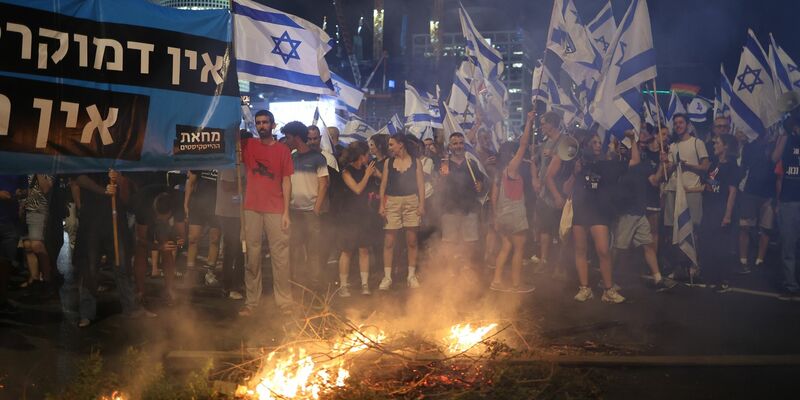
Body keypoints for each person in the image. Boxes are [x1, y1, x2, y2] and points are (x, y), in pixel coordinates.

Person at [72, 171, 154, 327]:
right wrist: (103, 190)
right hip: (91, 222)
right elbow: (78, 178)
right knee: (89, 269)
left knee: (123, 266)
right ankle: (86, 313)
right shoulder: (87, 153)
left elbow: (126, 197)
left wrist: (120, 179)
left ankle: (132, 308)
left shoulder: (119, 159)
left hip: (116, 221)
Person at [240, 110, 293, 316]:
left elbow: (286, 181)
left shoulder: (282, 150)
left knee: (280, 257)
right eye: (258, 122)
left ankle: (285, 301)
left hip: (276, 208)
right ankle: (252, 301)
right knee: (251, 256)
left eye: (265, 122)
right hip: (251, 207)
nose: (262, 125)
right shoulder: (248, 145)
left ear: (273, 125)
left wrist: (286, 212)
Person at [613, 130, 676, 292]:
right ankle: (611, 278)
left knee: (648, 245)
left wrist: (663, 165)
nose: (640, 148)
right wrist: (631, 139)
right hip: (626, 213)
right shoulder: (620, 165)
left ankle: (658, 279)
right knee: (620, 248)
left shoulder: (643, 165)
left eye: (641, 145)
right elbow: (633, 158)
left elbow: (655, 181)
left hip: (639, 212)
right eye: (636, 146)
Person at [571, 132, 627, 303]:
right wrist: (575, 173)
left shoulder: (606, 164)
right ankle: (584, 288)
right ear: (586, 145)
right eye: (594, 142)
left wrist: (627, 143)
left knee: (603, 251)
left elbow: (631, 164)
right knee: (580, 250)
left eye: (599, 142)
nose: (597, 145)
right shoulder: (578, 163)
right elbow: (567, 189)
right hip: (580, 210)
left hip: (598, 211)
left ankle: (608, 290)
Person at [490, 111, 534, 293]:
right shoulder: (512, 168)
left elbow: (493, 198)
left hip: (501, 216)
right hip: (515, 215)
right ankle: (516, 284)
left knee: (506, 247)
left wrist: (496, 218)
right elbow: (524, 144)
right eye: (516, 152)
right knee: (518, 249)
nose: (519, 154)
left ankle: (496, 281)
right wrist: (529, 121)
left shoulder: (499, 173)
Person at [663, 113, 709, 280]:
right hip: (674, 191)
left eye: (681, 122)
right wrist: (670, 164)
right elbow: (667, 172)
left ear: (688, 124)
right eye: (675, 123)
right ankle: (678, 266)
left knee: (692, 230)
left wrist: (687, 165)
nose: (678, 125)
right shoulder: (672, 146)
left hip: (691, 192)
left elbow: (705, 166)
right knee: (673, 231)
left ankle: (693, 265)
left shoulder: (697, 143)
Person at [285, 121, 329, 292]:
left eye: (288, 137)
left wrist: (316, 208)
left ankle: (314, 285)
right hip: (294, 212)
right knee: (294, 249)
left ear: (296, 138)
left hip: (310, 212)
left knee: (313, 250)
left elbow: (323, 184)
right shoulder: (291, 157)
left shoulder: (318, 158)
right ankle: (296, 283)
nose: (287, 141)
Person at [378, 133, 425, 290]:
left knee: (411, 241)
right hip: (392, 201)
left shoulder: (416, 162)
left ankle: (411, 276)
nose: (389, 147)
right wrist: (382, 205)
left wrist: (421, 205)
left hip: (411, 200)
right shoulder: (388, 163)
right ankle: (387, 277)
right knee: (389, 241)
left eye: (392, 144)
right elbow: (383, 185)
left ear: (401, 144)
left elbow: (421, 185)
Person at [131, 182, 186, 305]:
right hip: (143, 215)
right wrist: (158, 246)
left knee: (167, 247)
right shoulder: (143, 204)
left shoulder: (177, 201)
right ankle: (140, 291)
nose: (161, 220)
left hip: (160, 211)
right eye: (159, 217)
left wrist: (180, 241)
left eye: (165, 218)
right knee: (141, 249)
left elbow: (182, 234)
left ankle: (169, 290)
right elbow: (140, 239)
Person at [336, 142, 379, 297]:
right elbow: (357, 189)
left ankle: (365, 284)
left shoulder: (366, 169)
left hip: (364, 215)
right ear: (361, 156)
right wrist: (367, 174)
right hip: (349, 216)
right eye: (367, 155)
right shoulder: (346, 171)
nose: (369, 157)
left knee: (364, 249)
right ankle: (343, 285)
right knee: (347, 250)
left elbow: (383, 180)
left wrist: (375, 174)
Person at [438, 132, 487, 269]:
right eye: (455, 143)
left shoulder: (472, 163)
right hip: (450, 208)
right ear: (450, 146)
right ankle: (451, 270)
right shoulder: (445, 164)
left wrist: (480, 185)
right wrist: (441, 178)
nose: (458, 146)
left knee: (470, 241)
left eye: (461, 143)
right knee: (449, 242)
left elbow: (480, 182)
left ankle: (466, 268)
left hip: (469, 208)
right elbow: (440, 188)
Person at [700, 135, 741, 292]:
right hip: (710, 209)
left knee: (721, 246)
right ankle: (713, 276)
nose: (714, 144)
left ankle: (724, 279)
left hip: (721, 210)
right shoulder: (715, 165)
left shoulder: (732, 166)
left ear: (726, 146)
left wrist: (727, 215)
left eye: (717, 142)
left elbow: (732, 192)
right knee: (709, 243)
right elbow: (710, 186)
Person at [534, 112, 568, 272]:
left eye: (543, 123)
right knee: (545, 228)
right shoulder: (544, 143)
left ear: (552, 124)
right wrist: (535, 179)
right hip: (544, 193)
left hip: (560, 191)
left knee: (562, 230)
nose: (541, 127)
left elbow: (569, 159)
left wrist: (555, 155)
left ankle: (560, 264)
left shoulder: (565, 141)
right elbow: (535, 163)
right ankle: (544, 260)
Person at [737, 134, 776, 273]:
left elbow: (774, 160)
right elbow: (743, 165)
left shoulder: (774, 144)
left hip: (769, 194)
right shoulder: (749, 145)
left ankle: (760, 261)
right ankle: (743, 260)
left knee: (766, 228)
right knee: (745, 227)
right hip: (750, 191)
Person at [772, 116, 800, 300]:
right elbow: (775, 160)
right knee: (789, 245)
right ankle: (791, 285)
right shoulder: (788, 140)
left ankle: (791, 284)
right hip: (790, 200)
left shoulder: (789, 139)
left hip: (790, 202)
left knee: (790, 246)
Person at [184, 170, 221, 286]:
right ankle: (189, 273)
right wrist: (186, 203)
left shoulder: (224, 158)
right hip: (198, 204)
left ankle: (210, 273)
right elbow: (190, 182)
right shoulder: (204, 155)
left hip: (216, 205)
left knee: (215, 239)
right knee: (193, 239)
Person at [21, 174, 54, 292]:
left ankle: (47, 280)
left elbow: (46, 188)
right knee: (27, 245)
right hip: (23, 208)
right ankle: (34, 279)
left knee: (36, 245)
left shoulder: (46, 164)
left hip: (37, 209)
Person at [215, 167, 245, 300]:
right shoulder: (231, 163)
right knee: (233, 249)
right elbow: (226, 185)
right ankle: (229, 286)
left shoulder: (243, 163)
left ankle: (235, 284)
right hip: (229, 213)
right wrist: (244, 182)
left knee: (239, 250)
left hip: (238, 212)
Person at [0, 175, 26, 313]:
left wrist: (20, 193)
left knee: (6, 263)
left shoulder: (17, 165)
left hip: (11, 221)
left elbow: (24, 189)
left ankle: (3, 299)